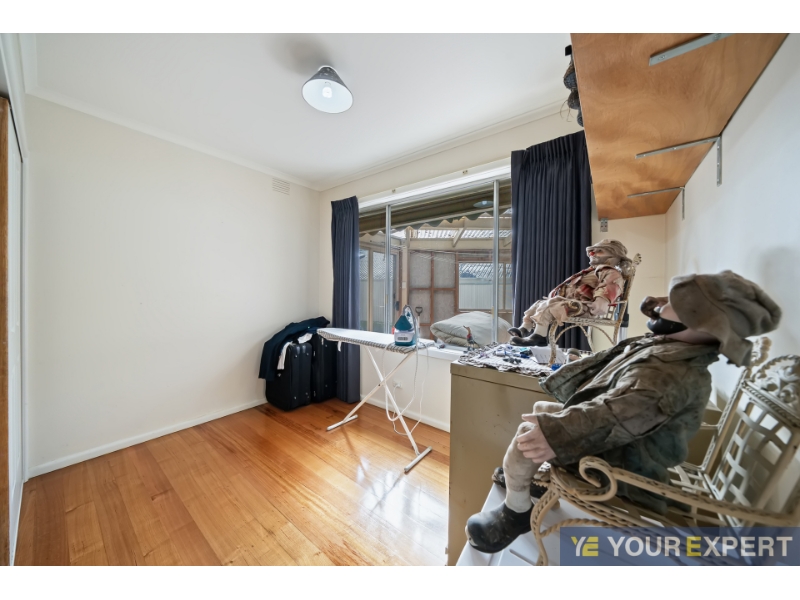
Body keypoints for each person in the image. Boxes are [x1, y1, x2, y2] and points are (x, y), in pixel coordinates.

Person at [466, 270, 782, 554]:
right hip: (633, 440)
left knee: (528, 436)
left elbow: (614, 414)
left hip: (627, 461)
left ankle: (515, 511)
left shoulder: (668, 376)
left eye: (673, 303)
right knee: (541, 410)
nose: (661, 305)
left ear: (699, 321)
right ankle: (527, 477)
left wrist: (557, 433)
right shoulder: (667, 350)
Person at [509, 239, 631, 347]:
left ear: (613, 255)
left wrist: (602, 300)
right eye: (591, 251)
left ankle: (539, 336)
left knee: (551, 304)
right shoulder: (590, 271)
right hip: (570, 302)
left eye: (599, 251)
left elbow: (610, 285)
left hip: (585, 307)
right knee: (539, 304)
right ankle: (525, 328)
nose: (592, 254)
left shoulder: (610, 272)